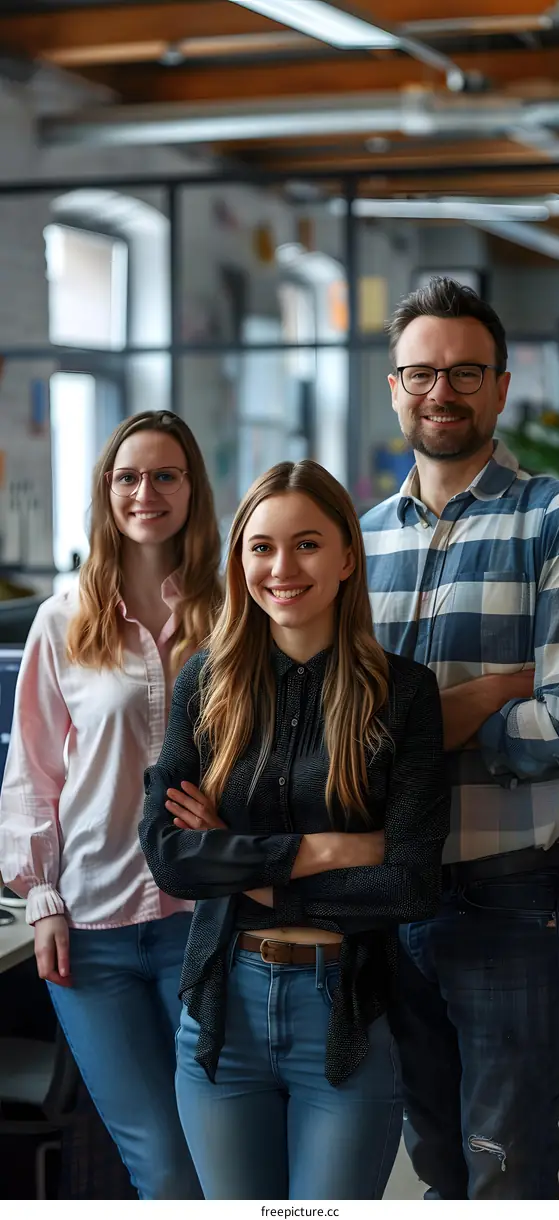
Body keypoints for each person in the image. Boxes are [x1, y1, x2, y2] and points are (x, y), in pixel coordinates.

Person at [139, 459, 450, 1201]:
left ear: (347, 556)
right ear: (240, 557)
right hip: (223, 1015)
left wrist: (242, 866)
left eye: (307, 544)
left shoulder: (402, 694)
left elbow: (409, 884)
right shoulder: (205, 683)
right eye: (262, 546)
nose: (282, 568)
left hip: (341, 1019)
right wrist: (324, 850)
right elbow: (173, 858)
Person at [361, 276, 559, 1200]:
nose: (441, 391)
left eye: (466, 372)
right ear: (394, 388)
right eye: (421, 372)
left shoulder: (554, 522)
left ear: (501, 387)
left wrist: (411, 732)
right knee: (435, 1166)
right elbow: (347, 734)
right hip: (390, 894)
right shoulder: (358, 539)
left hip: (512, 902)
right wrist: (491, 698)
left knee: (506, 1172)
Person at [0, 409, 222, 1200]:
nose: (145, 492)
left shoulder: (232, 615)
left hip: (205, 923)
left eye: (166, 475)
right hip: (91, 935)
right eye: (128, 476)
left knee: (219, 1155)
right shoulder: (63, 621)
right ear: (106, 490)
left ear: (192, 488)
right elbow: (32, 774)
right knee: (161, 1163)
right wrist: (44, 897)